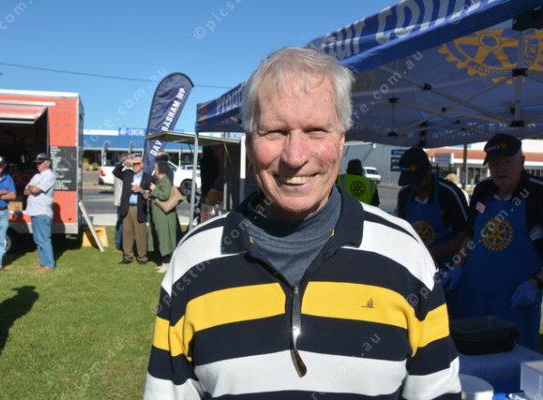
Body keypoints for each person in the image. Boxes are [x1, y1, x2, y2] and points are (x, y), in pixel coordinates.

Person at [144, 47, 460, 399]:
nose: (295, 157)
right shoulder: (194, 260)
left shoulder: (405, 254)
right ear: (249, 143)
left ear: (341, 141)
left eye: (316, 130)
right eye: (275, 131)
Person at [443, 134, 543, 350]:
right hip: (474, 294)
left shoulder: (538, 193)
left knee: (512, 358)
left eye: (507, 162)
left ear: (522, 161)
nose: (500, 169)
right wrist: (458, 265)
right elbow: (470, 234)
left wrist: (535, 283)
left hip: (515, 300)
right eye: (495, 164)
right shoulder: (483, 189)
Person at [396, 147, 469, 270]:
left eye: (418, 180)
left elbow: (465, 237)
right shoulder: (404, 194)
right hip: (415, 265)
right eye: (410, 181)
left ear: (429, 170)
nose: (414, 185)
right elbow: (401, 231)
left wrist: (428, 253)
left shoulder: (449, 193)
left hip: (446, 267)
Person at [113, 155, 152, 265]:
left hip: (139, 208)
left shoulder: (147, 177)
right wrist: (124, 163)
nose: (135, 165)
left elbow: (149, 195)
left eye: (137, 163)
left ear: (142, 165)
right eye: (134, 164)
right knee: (127, 233)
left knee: (141, 234)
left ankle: (142, 257)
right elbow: (116, 172)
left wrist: (141, 190)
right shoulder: (128, 174)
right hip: (127, 207)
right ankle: (127, 257)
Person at [24, 153, 56, 271]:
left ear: (47, 164)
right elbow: (25, 191)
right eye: (37, 163)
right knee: (37, 239)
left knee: (44, 239)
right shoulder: (37, 175)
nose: (37, 165)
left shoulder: (49, 176)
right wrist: (32, 187)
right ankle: (43, 262)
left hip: (42, 211)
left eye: (40, 163)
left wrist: (33, 187)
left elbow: (35, 189)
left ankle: (49, 264)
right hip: (34, 211)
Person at [148, 160, 180, 274]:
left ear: (159, 170)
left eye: (156, 168)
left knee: (164, 238)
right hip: (160, 215)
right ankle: (165, 262)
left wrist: (154, 189)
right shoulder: (162, 181)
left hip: (163, 216)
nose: (154, 170)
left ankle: (167, 263)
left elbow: (165, 195)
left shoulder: (165, 181)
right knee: (162, 237)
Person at [113, 154, 132, 251]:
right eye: (130, 159)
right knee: (122, 223)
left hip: (119, 200)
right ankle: (120, 243)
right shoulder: (123, 171)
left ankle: (119, 243)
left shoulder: (120, 170)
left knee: (120, 222)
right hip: (122, 200)